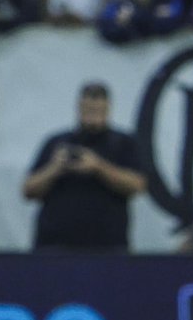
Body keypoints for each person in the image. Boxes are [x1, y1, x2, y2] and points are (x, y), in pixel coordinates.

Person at [23, 82, 146, 254]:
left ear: (108, 109)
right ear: (79, 108)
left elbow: (137, 185)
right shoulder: (56, 142)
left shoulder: (123, 143)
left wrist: (98, 166)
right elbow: (28, 190)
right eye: (88, 109)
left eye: (97, 110)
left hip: (107, 248)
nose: (92, 115)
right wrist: (55, 168)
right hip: (55, 247)